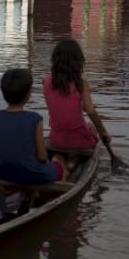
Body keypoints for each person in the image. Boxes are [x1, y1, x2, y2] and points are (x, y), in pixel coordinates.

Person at [0, 68, 66, 183]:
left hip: (2, 173)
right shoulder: (34, 119)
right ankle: (52, 191)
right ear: (28, 95)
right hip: (32, 174)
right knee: (59, 162)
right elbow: (42, 157)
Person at [43, 38, 111, 166]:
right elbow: (90, 111)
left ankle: (60, 159)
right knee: (90, 126)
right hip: (79, 142)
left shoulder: (46, 81)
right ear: (78, 62)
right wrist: (103, 132)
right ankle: (74, 160)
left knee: (68, 135)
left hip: (56, 139)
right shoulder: (81, 84)